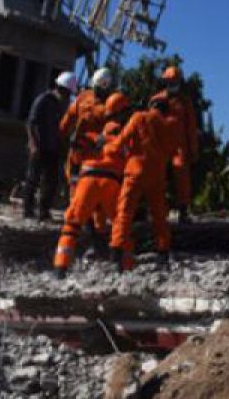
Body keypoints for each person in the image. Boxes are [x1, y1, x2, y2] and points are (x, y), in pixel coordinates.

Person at [53, 92, 132, 276]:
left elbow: (75, 151)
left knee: (72, 224)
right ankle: (125, 267)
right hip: (111, 182)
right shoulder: (127, 134)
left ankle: (60, 268)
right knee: (120, 226)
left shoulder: (92, 136)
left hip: (87, 179)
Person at [109, 96, 174, 271]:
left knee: (124, 212)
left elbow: (120, 141)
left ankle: (117, 253)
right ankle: (163, 254)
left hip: (135, 172)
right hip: (157, 175)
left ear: (151, 105)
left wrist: (105, 147)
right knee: (160, 216)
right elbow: (171, 151)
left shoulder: (139, 117)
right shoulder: (169, 124)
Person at [60, 67, 115, 230]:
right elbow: (68, 118)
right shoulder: (83, 97)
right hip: (78, 152)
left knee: (94, 191)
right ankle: (77, 223)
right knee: (74, 186)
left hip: (96, 155)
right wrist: (61, 135)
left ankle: (95, 229)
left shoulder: (111, 104)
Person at [24, 72, 76, 221]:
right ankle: (28, 210)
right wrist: (33, 144)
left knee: (51, 181)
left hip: (53, 148)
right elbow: (31, 122)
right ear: (61, 88)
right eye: (67, 93)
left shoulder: (60, 104)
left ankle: (44, 211)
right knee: (33, 178)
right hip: (39, 146)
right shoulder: (43, 100)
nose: (67, 96)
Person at [153, 65, 199, 224]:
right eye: (170, 81)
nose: (173, 84)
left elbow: (191, 127)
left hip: (179, 146)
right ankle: (156, 210)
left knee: (182, 176)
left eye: (175, 81)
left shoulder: (185, 102)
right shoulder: (157, 100)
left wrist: (193, 149)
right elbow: (147, 123)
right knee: (157, 177)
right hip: (160, 145)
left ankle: (183, 210)